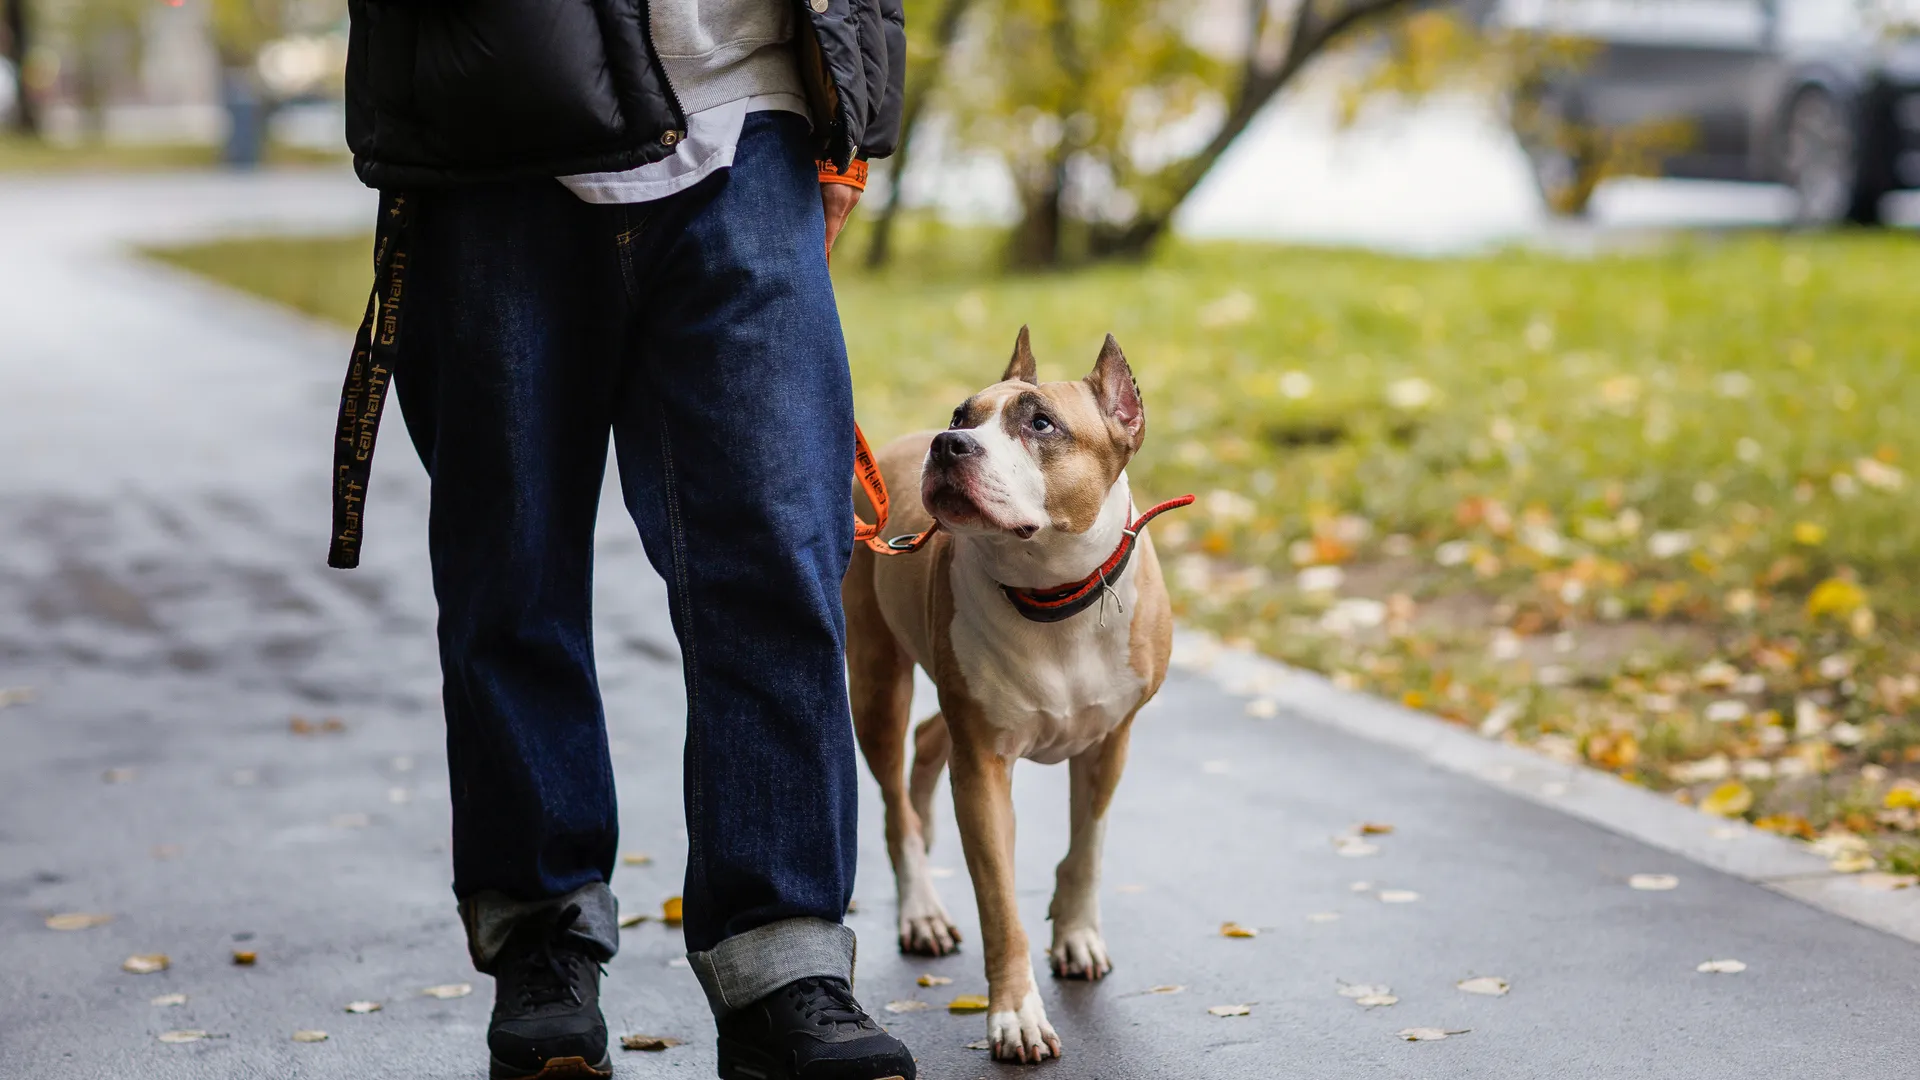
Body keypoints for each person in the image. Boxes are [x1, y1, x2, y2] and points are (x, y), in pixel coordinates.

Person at [334, 3, 914, 1079]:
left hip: (754, 121)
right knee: (510, 567)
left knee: (781, 553)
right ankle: (542, 938)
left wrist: (849, 102)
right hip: (491, 141)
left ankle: (782, 959)